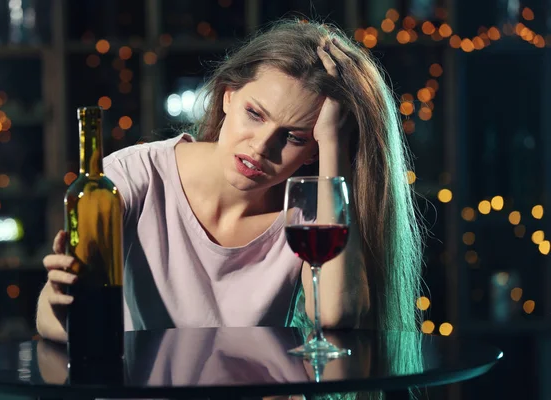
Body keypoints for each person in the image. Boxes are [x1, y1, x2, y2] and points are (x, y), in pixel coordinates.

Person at [36, 19, 423, 346]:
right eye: (254, 114)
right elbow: (50, 323)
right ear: (227, 96)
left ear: (314, 151)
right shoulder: (135, 175)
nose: (260, 147)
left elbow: (339, 313)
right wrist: (60, 300)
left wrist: (336, 143)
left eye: (294, 137)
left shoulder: (309, 207)